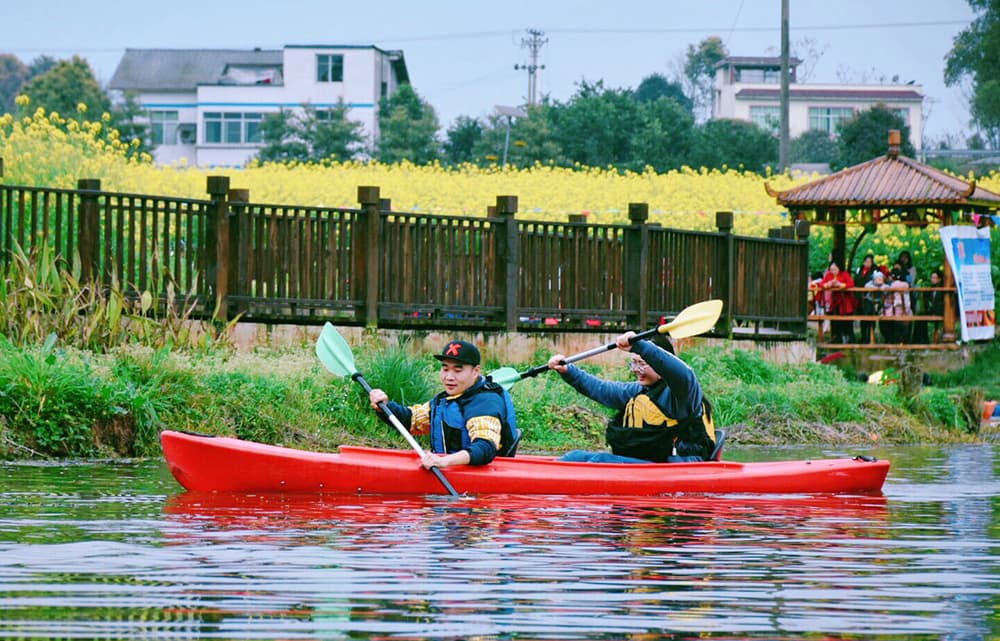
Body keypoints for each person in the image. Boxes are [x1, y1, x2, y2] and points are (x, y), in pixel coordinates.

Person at [546, 332, 716, 463]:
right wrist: (568, 371)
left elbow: (684, 373)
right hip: (650, 462)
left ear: (660, 365)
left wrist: (641, 347)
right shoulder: (639, 391)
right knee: (574, 457)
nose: (636, 369)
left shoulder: (682, 393)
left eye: (642, 363)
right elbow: (601, 389)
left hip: (682, 465)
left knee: (600, 461)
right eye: (633, 362)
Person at [368, 339, 520, 470]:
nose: (449, 377)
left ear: (475, 372)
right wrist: (385, 406)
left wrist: (444, 461)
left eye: (457, 370)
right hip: (446, 467)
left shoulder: (485, 402)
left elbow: (485, 448)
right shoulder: (445, 399)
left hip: (481, 477)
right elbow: (411, 421)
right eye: (445, 369)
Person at [818, 259, 856, 343]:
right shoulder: (829, 275)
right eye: (831, 270)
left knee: (848, 321)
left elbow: (851, 284)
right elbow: (821, 284)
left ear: (839, 268)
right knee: (835, 321)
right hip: (835, 301)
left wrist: (840, 284)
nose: (833, 271)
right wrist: (828, 284)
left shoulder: (844, 274)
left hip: (845, 302)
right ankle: (836, 339)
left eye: (834, 269)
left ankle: (850, 339)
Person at [881, 265, 913, 343]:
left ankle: (890, 339)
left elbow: (886, 294)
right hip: (907, 310)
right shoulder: (906, 284)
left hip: (895, 310)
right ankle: (904, 339)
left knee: (883, 316)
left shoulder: (892, 285)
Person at [860, 269, 887, 343]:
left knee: (878, 319)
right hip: (869, 302)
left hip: (879, 303)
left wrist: (883, 288)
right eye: (878, 279)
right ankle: (867, 338)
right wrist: (876, 288)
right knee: (868, 319)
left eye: (881, 279)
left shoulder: (883, 285)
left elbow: (887, 287)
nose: (880, 280)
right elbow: (866, 286)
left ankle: (874, 337)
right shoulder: (870, 283)